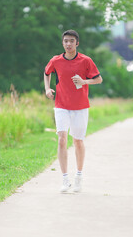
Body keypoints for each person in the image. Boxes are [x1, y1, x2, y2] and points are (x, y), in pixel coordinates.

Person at [43, 30, 103, 193]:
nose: (68, 44)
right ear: (62, 43)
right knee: (62, 139)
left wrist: (84, 81)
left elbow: (98, 79)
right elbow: (46, 72)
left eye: (71, 41)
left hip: (80, 107)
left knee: (77, 141)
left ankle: (79, 175)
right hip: (61, 105)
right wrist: (47, 89)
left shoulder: (86, 61)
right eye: (66, 41)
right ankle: (64, 179)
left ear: (77, 43)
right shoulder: (56, 60)